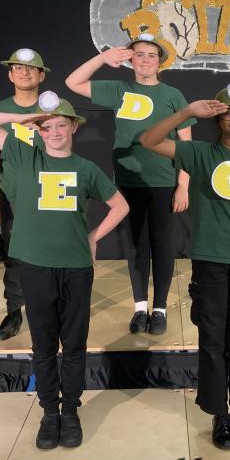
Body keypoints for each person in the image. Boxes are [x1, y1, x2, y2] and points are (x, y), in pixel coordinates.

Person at [0, 91, 129, 450]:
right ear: (38, 130)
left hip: (75, 266)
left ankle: (70, 410)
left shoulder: (86, 169)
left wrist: (93, 238)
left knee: (74, 344)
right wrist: (23, 120)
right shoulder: (24, 155)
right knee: (43, 345)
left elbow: (120, 205)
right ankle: (49, 412)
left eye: (61, 125)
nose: (55, 132)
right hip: (36, 266)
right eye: (47, 127)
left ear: (74, 127)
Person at [140, 83, 230, 451]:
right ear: (218, 118)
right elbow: (149, 140)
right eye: (229, 112)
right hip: (210, 262)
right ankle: (219, 413)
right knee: (213, 340)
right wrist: (186, 113)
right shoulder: (199, 153)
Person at [65, 33, 194, 335]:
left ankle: (159, 309)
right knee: (136, 244)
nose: (145, 59)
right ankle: (140, 307)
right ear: (130, 60)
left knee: (162, 244)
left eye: (151, 55)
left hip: (163, 181)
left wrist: (183, 184)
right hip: (127, 181)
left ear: (160, 62)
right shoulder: (119, 90)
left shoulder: (173, 95)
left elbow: (186, 144)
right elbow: (73, 82)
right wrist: (103, 58)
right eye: (139, 54)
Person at [0, 48, 49, 341]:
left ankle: (49, 309)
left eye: (31, 68)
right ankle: (14, 312)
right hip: (13, 191)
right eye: (18, 68)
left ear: (41, 75)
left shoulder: (53, 106)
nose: (24, 72)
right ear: (10, 75)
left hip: (49, 190)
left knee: (49, 252)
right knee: (14, 255)